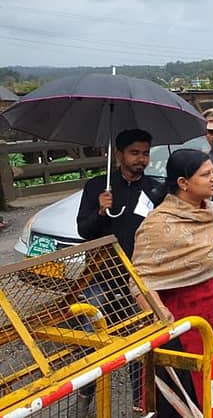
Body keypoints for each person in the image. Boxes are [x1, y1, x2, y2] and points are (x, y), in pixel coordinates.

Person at [132, 149, 213, 417]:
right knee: (193, 400)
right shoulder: (158, 225)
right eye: (206, 174)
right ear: (183, 183)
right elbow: (140, 280)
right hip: (186, 329)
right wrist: (160, 315)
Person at [75, 128, 159, 415]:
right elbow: (83, 231)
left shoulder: (154, 189)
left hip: (138, 280)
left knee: (140, 345)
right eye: (135, 153)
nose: (141, 159)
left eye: (145, 153)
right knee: (91, 344)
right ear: (119, 154)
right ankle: (85, 398)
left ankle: (141, 404)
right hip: (100, 276)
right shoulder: (98, 186)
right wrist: (99, 211)